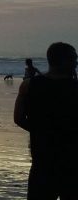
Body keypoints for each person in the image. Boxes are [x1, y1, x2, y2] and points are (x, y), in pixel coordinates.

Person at [14, 42, 78, 200]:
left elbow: (18, 118)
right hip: (72, 162)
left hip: (42, 161)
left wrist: (40, 130)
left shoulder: (28, 85)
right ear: (64, 61)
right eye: (74, 59)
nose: (76, 63)